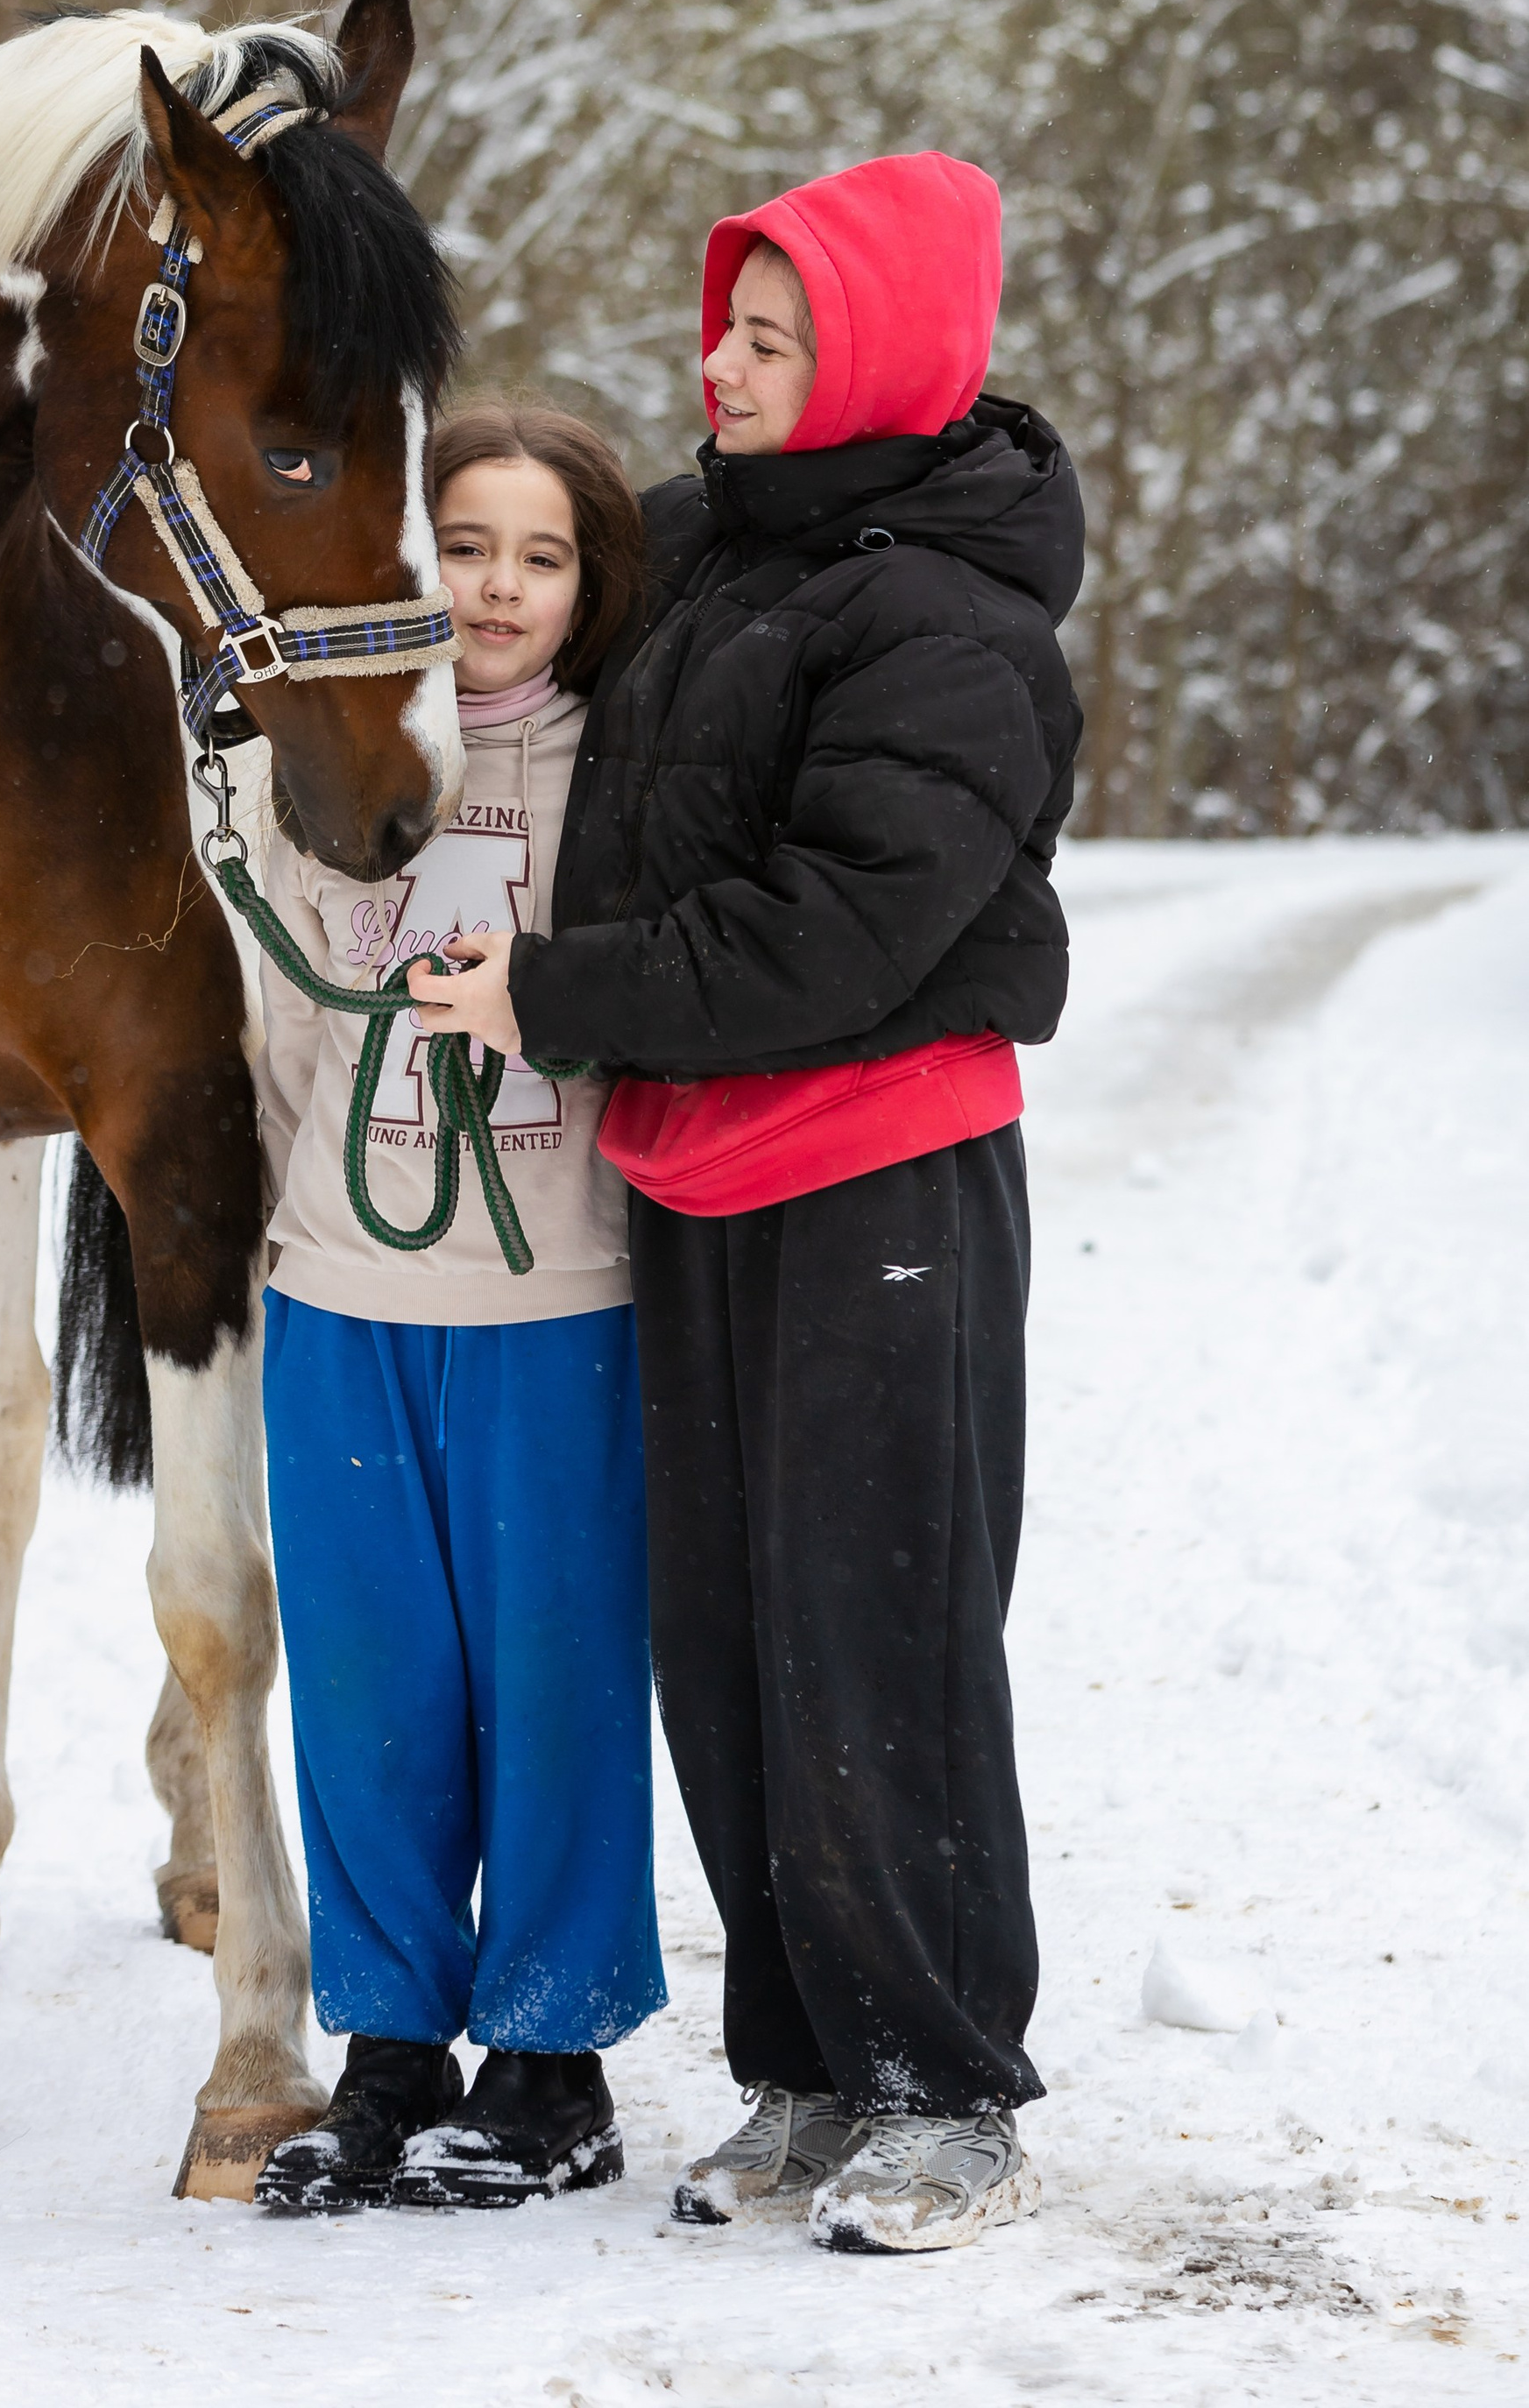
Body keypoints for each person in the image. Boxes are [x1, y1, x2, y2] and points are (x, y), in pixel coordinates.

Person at [410, 153, 1082, 2256]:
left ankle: (943, 2087)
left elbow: (835, 929)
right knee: (723, 1641)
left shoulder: (949, 619)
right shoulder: (702, 546)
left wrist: (548, 992)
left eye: (774, 338)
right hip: (693, 1173)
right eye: (726, 322)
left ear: (873, 355)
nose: (723, 361)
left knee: (873, 1627)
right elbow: (490, 649)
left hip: (878, 1170)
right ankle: (802, 2070)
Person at [251, 402, 663, 2216]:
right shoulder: (311, 775)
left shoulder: (625, 777)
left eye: (540, 554)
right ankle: (388, 2052)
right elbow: (269, 1038)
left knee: (553, 1685)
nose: (495, 586)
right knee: (366, 1695)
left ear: (588, 586)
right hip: (339, 1291)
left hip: (557, 1295)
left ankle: (554, 2061)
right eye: (466, 546)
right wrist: (284, 1244)